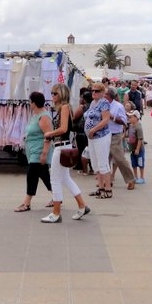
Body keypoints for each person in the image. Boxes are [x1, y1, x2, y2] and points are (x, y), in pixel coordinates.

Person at [42, 84, 90, 223]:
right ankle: (82, 205)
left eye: (54, 93)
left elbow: (63, 129)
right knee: (65, 179)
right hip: (64, 146)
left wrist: (50, 133)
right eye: (51, 93)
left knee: (55, 180)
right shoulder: (67, 108)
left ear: (61, 94)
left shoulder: (64, 108)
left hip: (61, 146)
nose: (52, 96)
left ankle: (56, 213)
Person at [84, 83, 113, 199]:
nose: (93, 93)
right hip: (92, 138)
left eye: (96, 91)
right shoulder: (92, 103)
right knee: (95, 162)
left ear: (102, 92)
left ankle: (108, 189)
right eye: (92, 91)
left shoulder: (104, 103)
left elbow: (106, 120)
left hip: (101, 136)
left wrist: (93, 130)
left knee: (103, 162)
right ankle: (100, 187)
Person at [105, 88, 136, 189]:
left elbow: (123, 121)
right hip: (104, 134)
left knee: (119, 159)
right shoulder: (102, 104)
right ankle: (107, 180)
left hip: (115, 135)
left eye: (104, 93)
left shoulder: (118, 106)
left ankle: (131, 179)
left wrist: (112, 117)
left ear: (109, 95)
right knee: (105, 159)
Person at [126, 108, 145, 184]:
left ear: (136, 118)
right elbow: (127, 134)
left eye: (131, 117)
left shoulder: (138, 127)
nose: (129, 119)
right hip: (132, 148)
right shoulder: (131, 126)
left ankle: (142, 177)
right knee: (133, 163)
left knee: (140, 163)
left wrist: (137, 149)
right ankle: (135, 176)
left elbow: (140, 139)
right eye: (129, 117)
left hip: (139, 149)